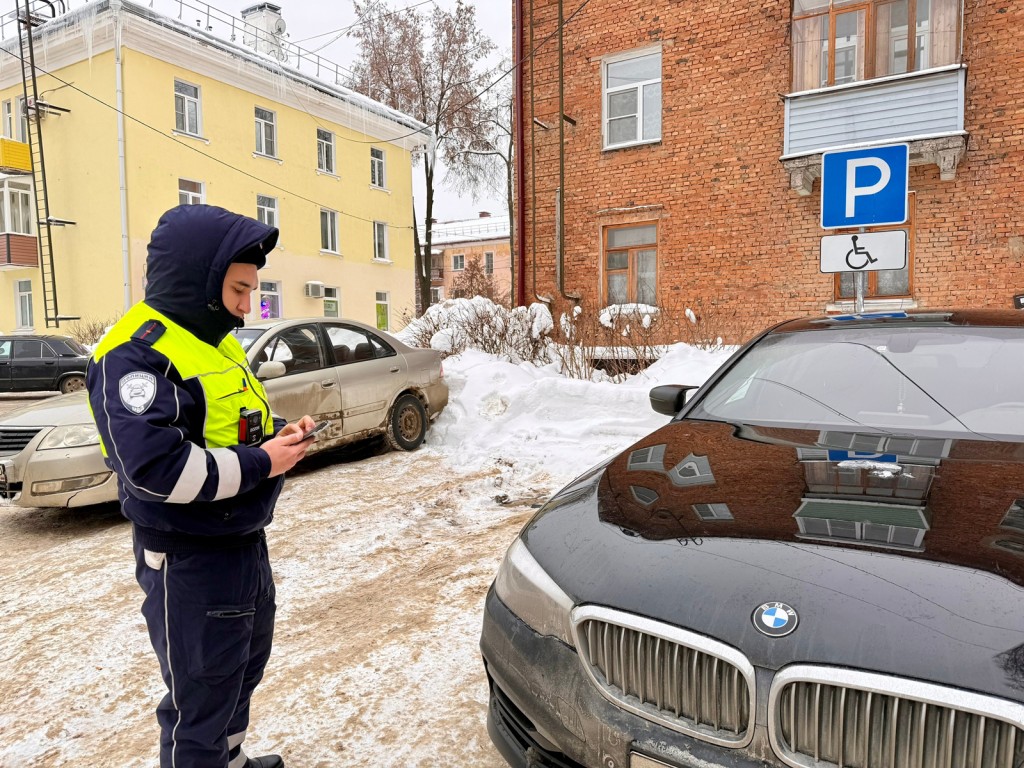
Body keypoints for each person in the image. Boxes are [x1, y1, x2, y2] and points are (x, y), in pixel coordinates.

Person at [86, 204, 314, 768]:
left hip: (241, 544)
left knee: (240, 672)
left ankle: (228, 761)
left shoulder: (214, 338)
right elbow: (155, 470)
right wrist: (263, 463)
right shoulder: (134, 354)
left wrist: (280, 435)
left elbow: (228, 426)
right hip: (189, 557)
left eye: (252, 291)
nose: (246, 308)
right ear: (200, 279)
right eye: (239, 290)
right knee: (200, 698)